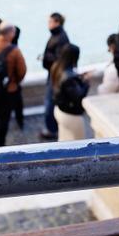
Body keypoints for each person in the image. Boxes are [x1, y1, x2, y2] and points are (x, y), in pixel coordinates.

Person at [40, 12, 70, 140]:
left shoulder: (60, 37)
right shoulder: (58, 35)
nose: (48, 24)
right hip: (54, 74)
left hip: (55, 75)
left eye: (50, 22)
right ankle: (53, 128)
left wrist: (45, 57)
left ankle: (52, 130)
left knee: (49, 103)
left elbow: (60, 58)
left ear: (57, 22)